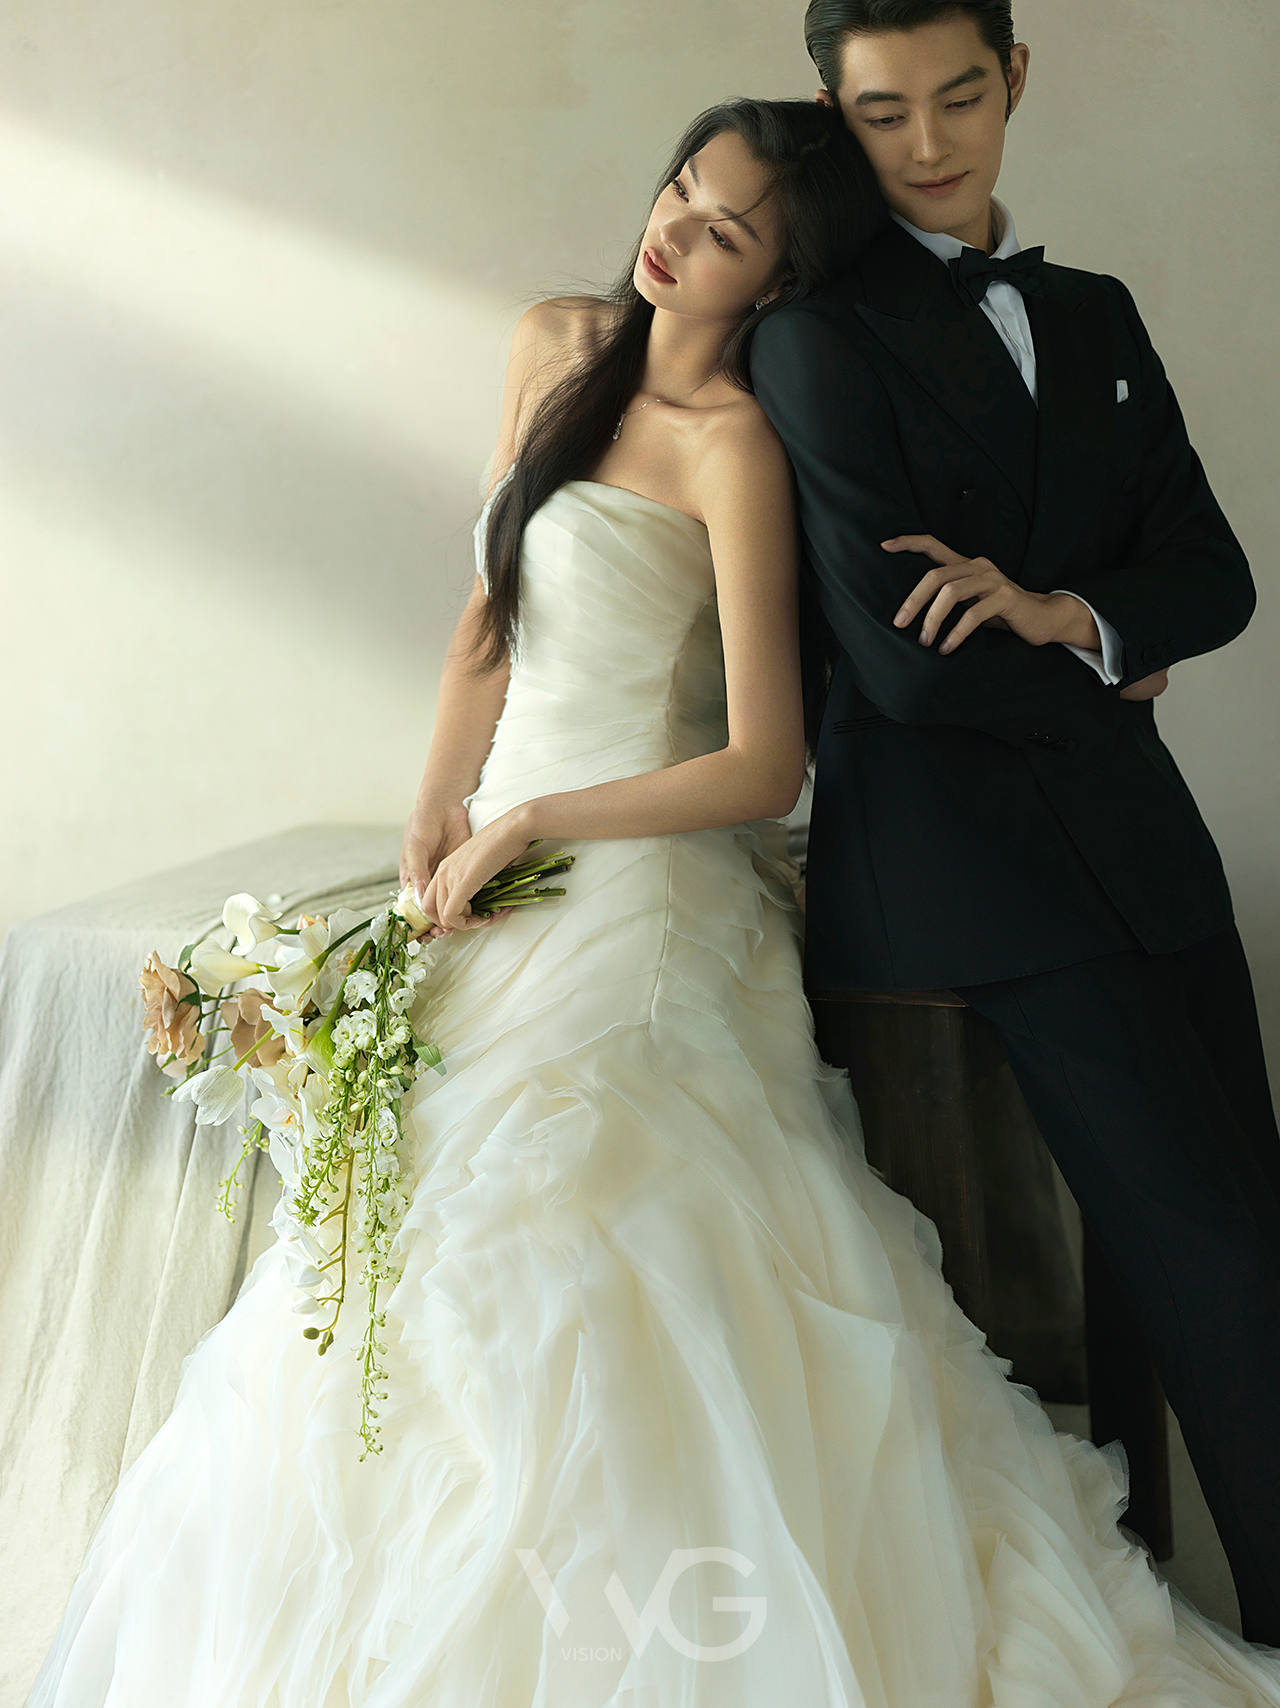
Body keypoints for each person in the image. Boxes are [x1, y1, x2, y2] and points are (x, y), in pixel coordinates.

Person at [27, 98, 1280, 1707]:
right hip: (493, 873)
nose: (673, 233)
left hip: (647, 887)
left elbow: (764, 764)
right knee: (387, 1245)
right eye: (680, 191)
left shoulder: (738, 443)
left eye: (726, 230)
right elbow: (488, 618)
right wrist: (439, 805)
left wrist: (536, 816)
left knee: (576, 1218)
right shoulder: (554, 343)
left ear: (778, 279)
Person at [749, 0, 1280, 1650]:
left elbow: (1217, 576)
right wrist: (1112, 647)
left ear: (1016, 80)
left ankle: (1204, 1611)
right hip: (968, 876)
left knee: (1238, 1241)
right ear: (835, 112)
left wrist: (1064, 614)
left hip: (1147, 852)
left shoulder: (1093, 310)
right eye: (883, 112)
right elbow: (906, 669)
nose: (929, 144)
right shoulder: (815, 336)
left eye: (961, 96)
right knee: (1217, 1259)